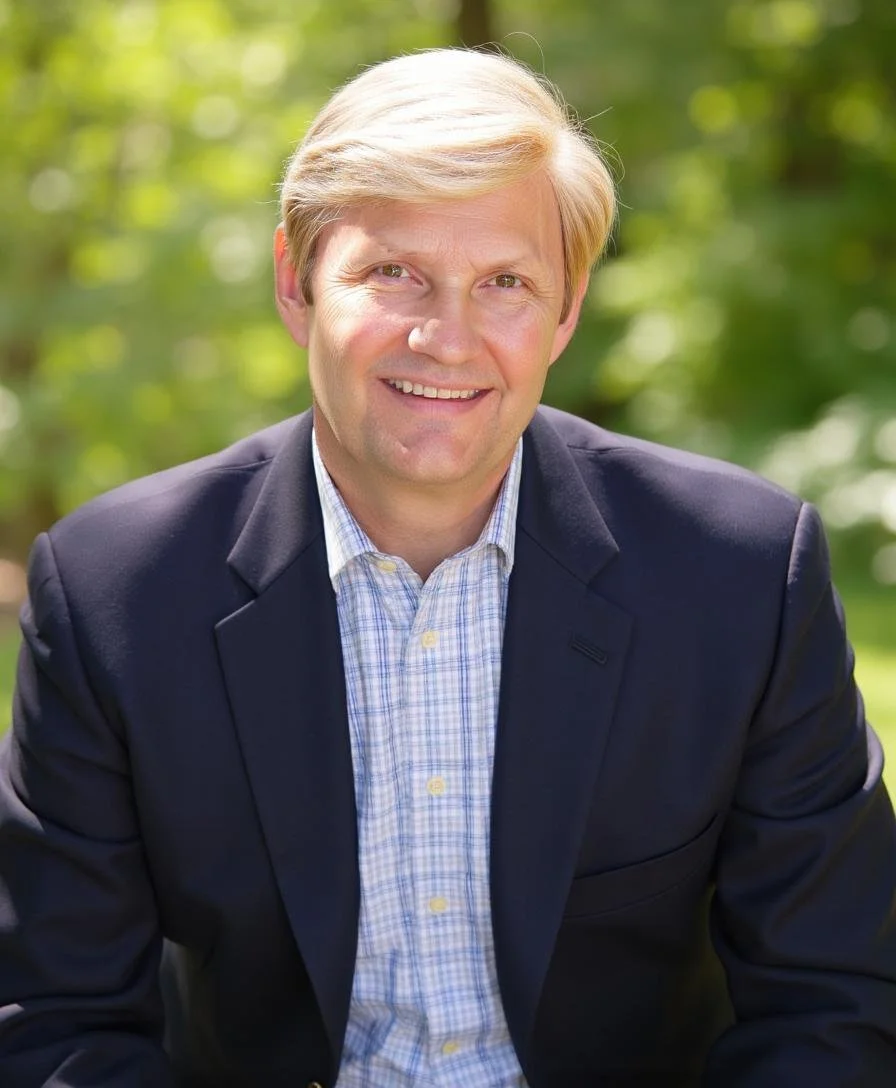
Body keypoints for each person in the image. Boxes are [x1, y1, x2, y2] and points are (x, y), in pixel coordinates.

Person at [1, 46, 894, 1088]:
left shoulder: (741, 576)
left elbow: (836, 1000)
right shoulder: (114, 594)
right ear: (296, 284)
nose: (447, 336)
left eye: (505, 283)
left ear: (564, 312)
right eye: (393, 273)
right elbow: (55, 1023)